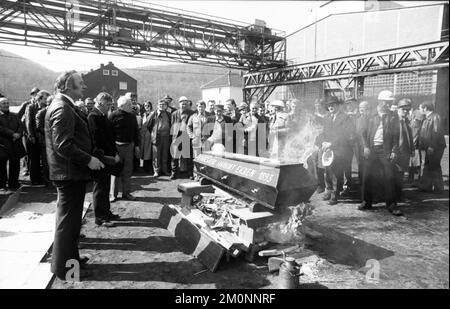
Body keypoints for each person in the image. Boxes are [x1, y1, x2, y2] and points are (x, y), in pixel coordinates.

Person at [45, 70, 104, 281]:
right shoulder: (62, 107)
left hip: (69, 174)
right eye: (80, 83)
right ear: (68, 86)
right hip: (68, 175)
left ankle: (71, 261)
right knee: (68, 224)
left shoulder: (65, 105)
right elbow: (63, 145)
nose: (84, 86)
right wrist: (88, 159)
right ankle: (65, 270)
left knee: (70, 224)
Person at [359, 100, 401, 216]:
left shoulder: (393, 116)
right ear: (380, 101)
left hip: (385, 150)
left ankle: (392, 206)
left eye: (389, 102)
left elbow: (397, 135)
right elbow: (363, 133)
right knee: (367, 176)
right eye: (386, 102)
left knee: (389, 177)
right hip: (371, 149)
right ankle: (366, 202)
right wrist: (365, 147)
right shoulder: (370, 115)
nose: (388, 105)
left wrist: (394, 150)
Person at [88, 92, 121, 226]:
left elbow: (109, 137)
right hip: (100, 158)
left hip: (107, 156)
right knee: (100, 188)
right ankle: (100, 217)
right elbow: (96, 140)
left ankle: (106, 212)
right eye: (107, 105)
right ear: (100, 103)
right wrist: (104, 156)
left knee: (105, 186)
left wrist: (114, 152)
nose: (109, 107)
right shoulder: (93, 116)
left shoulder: (102, 116)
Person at [321, 96, 355, 205]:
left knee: (336, 172)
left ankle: (335, 195)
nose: (330, 107)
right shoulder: (326, 118)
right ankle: (329, 191)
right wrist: (322, 142)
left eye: (333, 105)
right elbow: (323, 133)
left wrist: (332, 143)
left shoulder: (346, 118)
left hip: (340, 149)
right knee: (327, 171)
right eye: (329, 105)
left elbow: (346, 134)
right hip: (327, 148)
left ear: (338, 105)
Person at [109, 96, 140, 201]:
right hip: (116, 146)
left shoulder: (132, 116)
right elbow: (109, 134)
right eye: (129, 105)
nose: (131, 106)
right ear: (121, 106)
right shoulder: (113, 116)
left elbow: (136, 132)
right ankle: (113, 194)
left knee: (127, 171)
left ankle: (126, 193)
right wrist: (113, 150)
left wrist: (136, 146)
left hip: (129, 146)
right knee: (115, 171)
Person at [417, 101, 446, 193]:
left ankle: (438, 188)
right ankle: (426, 186)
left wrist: (432, 146)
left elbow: (436, 132)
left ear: (425, 108)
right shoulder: (428, 118)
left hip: (435, 147)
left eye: (420, 108)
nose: (419, 110)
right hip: (429, 147)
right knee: (427, 165)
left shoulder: (435, 117)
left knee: (434, 166)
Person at [0, 97, 25, 190]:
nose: (6, 105)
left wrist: (19, 134)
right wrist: (12, 134)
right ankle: (2, 184)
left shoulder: (14, 115)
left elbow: (21, 126)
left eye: (7, 103)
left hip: (15, 144)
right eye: (3, 103)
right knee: (2, 166)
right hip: (3, 145)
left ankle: (14, 183)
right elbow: (1, 129)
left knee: (15, 164)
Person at [392, 98, 414, 204]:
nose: (405, 112)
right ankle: (393, 196)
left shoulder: (407, 121)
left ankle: (399, 195)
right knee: (393, 175)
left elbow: (410, 137)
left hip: (404, 152)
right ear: (398, 109)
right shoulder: (392, 120)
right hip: (395, 152)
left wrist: (412, 149)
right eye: (403, 109)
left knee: (401, 176)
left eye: (407, 110)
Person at [25, 90, 50, 185]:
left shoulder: (47, 107)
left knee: (44, 159)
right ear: (39, 99)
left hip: (43, 138)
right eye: (45, 98)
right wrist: (31, 135)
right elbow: (28, 122)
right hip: (34, 137)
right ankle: (35, 180)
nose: (47, 100)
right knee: (34, 159)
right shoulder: (31, 107)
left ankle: (44, 178)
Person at [170, 96, 194, 180]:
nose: (183, 105)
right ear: (179, 104)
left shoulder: (192, 113)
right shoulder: (174, 114)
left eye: (185, 103)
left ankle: (190, 173)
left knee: (188, 157)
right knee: (175, 156)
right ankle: (174, 173)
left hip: (186, 136)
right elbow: (172, 125)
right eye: (182, 103)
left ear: (187, 104)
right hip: (176, 136)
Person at [147, 99, 172, 177]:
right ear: (157, 106)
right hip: (157, 137)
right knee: (156, 155)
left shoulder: (168, 114)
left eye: (163, 104)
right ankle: (156, 171)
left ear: (166, 106)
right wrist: (154, 132)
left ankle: (164, 170)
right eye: (160, 104)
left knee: (165, 154)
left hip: (166, 137)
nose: (161, 106)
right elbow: (148, 125)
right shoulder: (153, 114)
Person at [187, 100, 213, 164]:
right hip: (196, 140)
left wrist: (211, 137)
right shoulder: (193, 116)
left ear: (205, 107)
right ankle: (196, 173)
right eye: (199, 107)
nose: (200, 108)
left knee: (207, 158)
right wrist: (192, 136)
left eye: (202, 107)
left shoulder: (210, 116)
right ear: (197, 108)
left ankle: (206, 172)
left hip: (207, 140)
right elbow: (188, 127)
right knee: (196, 158)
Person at [34, 92, 52, 187]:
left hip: (54, 141)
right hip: (45, 141)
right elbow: (38, 127)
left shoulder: (54, 111)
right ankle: (47, 182)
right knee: (46, 162)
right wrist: (50, 132)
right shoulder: (41, 113)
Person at [355, 101, 371, 184]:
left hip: (366, 145)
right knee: (361, 164)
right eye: (360, 109)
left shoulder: (370, 119)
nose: (362, 111)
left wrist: (366, 146)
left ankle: (365, 183)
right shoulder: (358, 119)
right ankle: (362, 183)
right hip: (359, 146)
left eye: (364, 109)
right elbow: (360, 133)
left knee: (366, 165)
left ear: (368, 110)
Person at [140, 100, 154, 174]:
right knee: (144, 151)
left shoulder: (153, 114)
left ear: (151, 106)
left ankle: (150, 168)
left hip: (149, 134)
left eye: (148, 105)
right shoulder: (143, 114)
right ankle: (145, 167)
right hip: (143, 135)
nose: (146, 107)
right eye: (145, 106)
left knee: (149, 151)